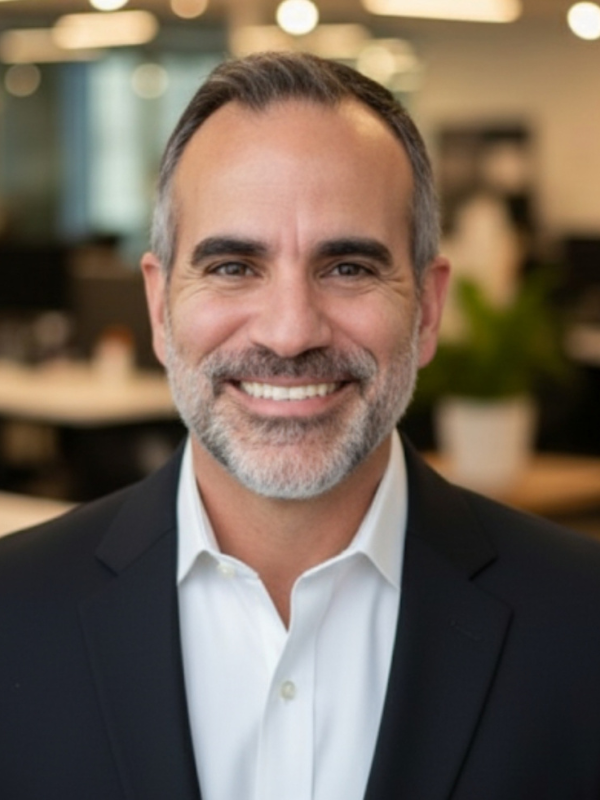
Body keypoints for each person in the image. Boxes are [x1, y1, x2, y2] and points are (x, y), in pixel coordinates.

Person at [2, 52, 600, 800]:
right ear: (158, 308)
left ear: (429, 310)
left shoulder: (584, 624)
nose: (289, 333)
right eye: (232, 267)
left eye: (347, 266)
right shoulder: (12, 613)